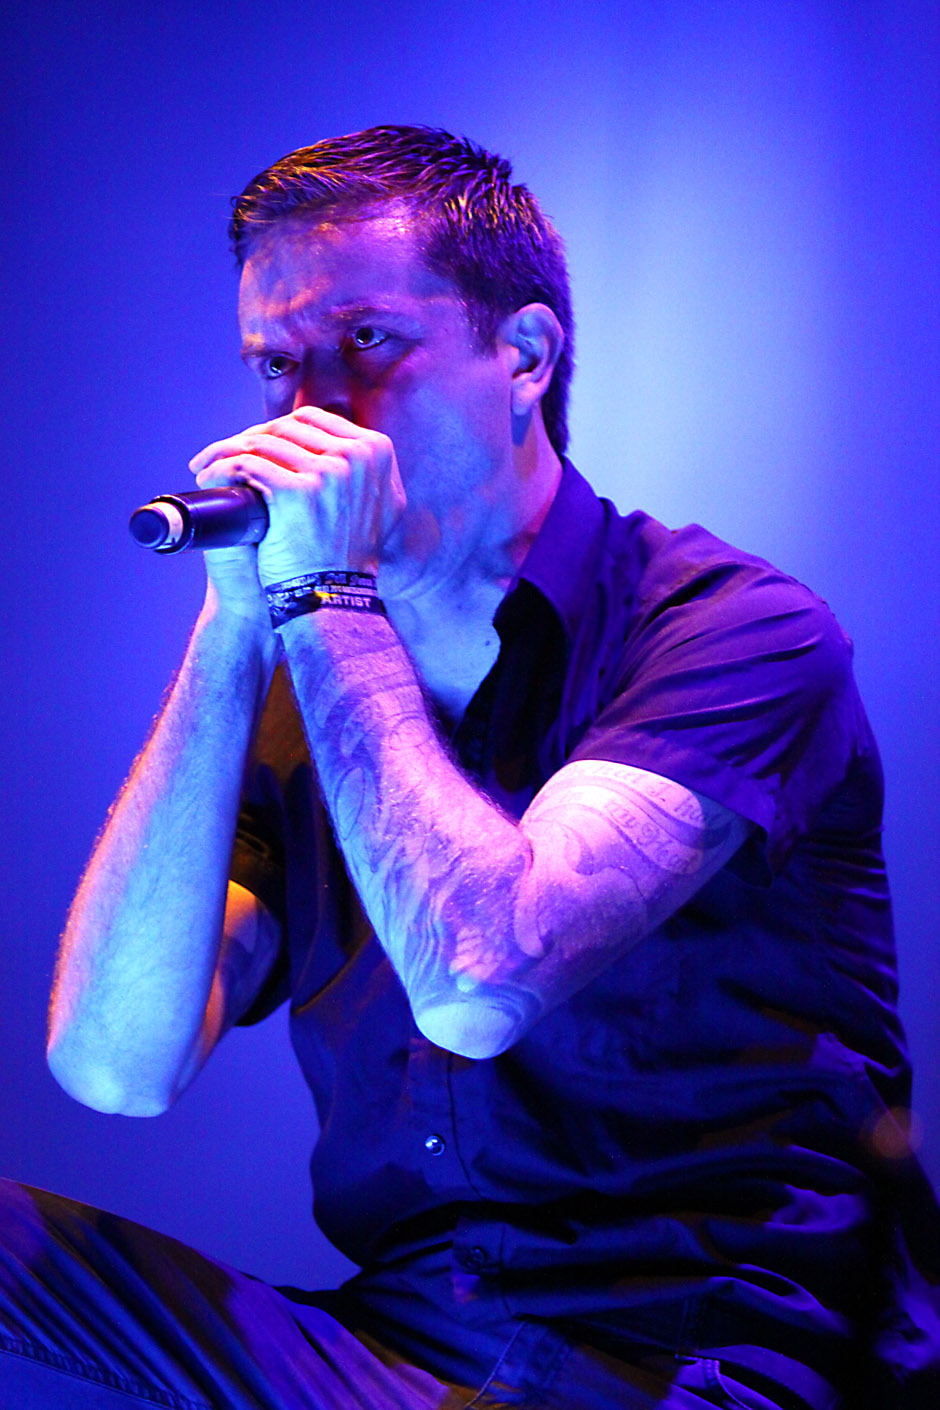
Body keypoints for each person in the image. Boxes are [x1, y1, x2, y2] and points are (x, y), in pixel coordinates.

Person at [1, 125, 937, 1410]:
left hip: (691, 1354)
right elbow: (115, 1066)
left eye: (368, 341)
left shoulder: (729, 630)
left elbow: (480, 984)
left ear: (525, 356)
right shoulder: (303, 679)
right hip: (409, 1349)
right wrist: (233, 626)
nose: (310, 413)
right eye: (276, 363)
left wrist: (323, 597)